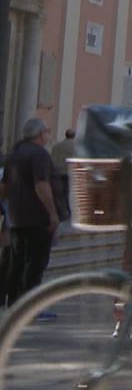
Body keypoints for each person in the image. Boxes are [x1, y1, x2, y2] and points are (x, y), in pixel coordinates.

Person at [1, 118, 61, 307]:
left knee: (17, 261)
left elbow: (4, 186)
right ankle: (28, 306)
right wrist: (52, 213)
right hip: (37, 218)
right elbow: (41, 184)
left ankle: (14, 303)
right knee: (35, 263)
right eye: (47, 131)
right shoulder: (39, 155)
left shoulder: (14, 154)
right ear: (39, 134)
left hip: (16, 218)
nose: (48, 135)